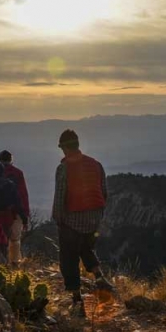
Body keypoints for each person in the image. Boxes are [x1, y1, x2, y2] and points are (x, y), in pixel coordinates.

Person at [52, 129, 114, 317]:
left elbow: (60, 195)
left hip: (74, 217)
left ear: (64, 148)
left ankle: (77, 299)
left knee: (68, 256)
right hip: (94, 216)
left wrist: (58, 219)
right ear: (77, 145)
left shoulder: (63, 168)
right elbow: (104, 192)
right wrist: (97, 215)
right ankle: (100, 278)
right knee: (86, 248)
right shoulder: (96, 164)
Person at [0, 150, 30, 265]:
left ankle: (3, 262)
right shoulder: (18, 173)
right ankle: (15, 262)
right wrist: (25, 214)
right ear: (11, 159)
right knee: (15, 239)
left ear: (0, 160)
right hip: (17, 211)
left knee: (2, 238)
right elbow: (23, 194)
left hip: (0, 212)